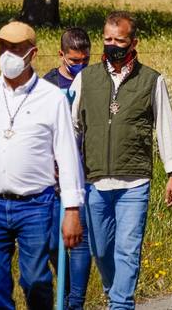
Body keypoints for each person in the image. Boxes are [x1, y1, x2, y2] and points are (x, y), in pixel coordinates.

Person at [71, 11, 172, 310]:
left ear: (134, 42)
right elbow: (72, 127)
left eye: (119, 40)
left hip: (135, 182)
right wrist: (66, 170)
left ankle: (121, 304)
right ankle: (113, 292)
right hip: (95, 181)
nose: (112, 44)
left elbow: (165, 127)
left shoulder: (151, 80)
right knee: (102, 250)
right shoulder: (85, 79)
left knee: (127, 251)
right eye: (107, 39)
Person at [0, 21, 83, 310]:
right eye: (3, 47)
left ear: (31, 53)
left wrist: (71, 210)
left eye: (16, 49)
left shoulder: (51, 98)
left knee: (35, 280)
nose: (7, 54)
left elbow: (68, 157)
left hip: (36, 204)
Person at [43, 27, 94, 310]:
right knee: (53, 242)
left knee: (80, 239)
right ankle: (63, 291)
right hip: (50, 178)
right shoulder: (47, 85)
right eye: (75, 61)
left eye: (85, 60)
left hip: (83, 173)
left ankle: (75, 302)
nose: (80, 66)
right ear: (61, 55)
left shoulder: (92, 82)